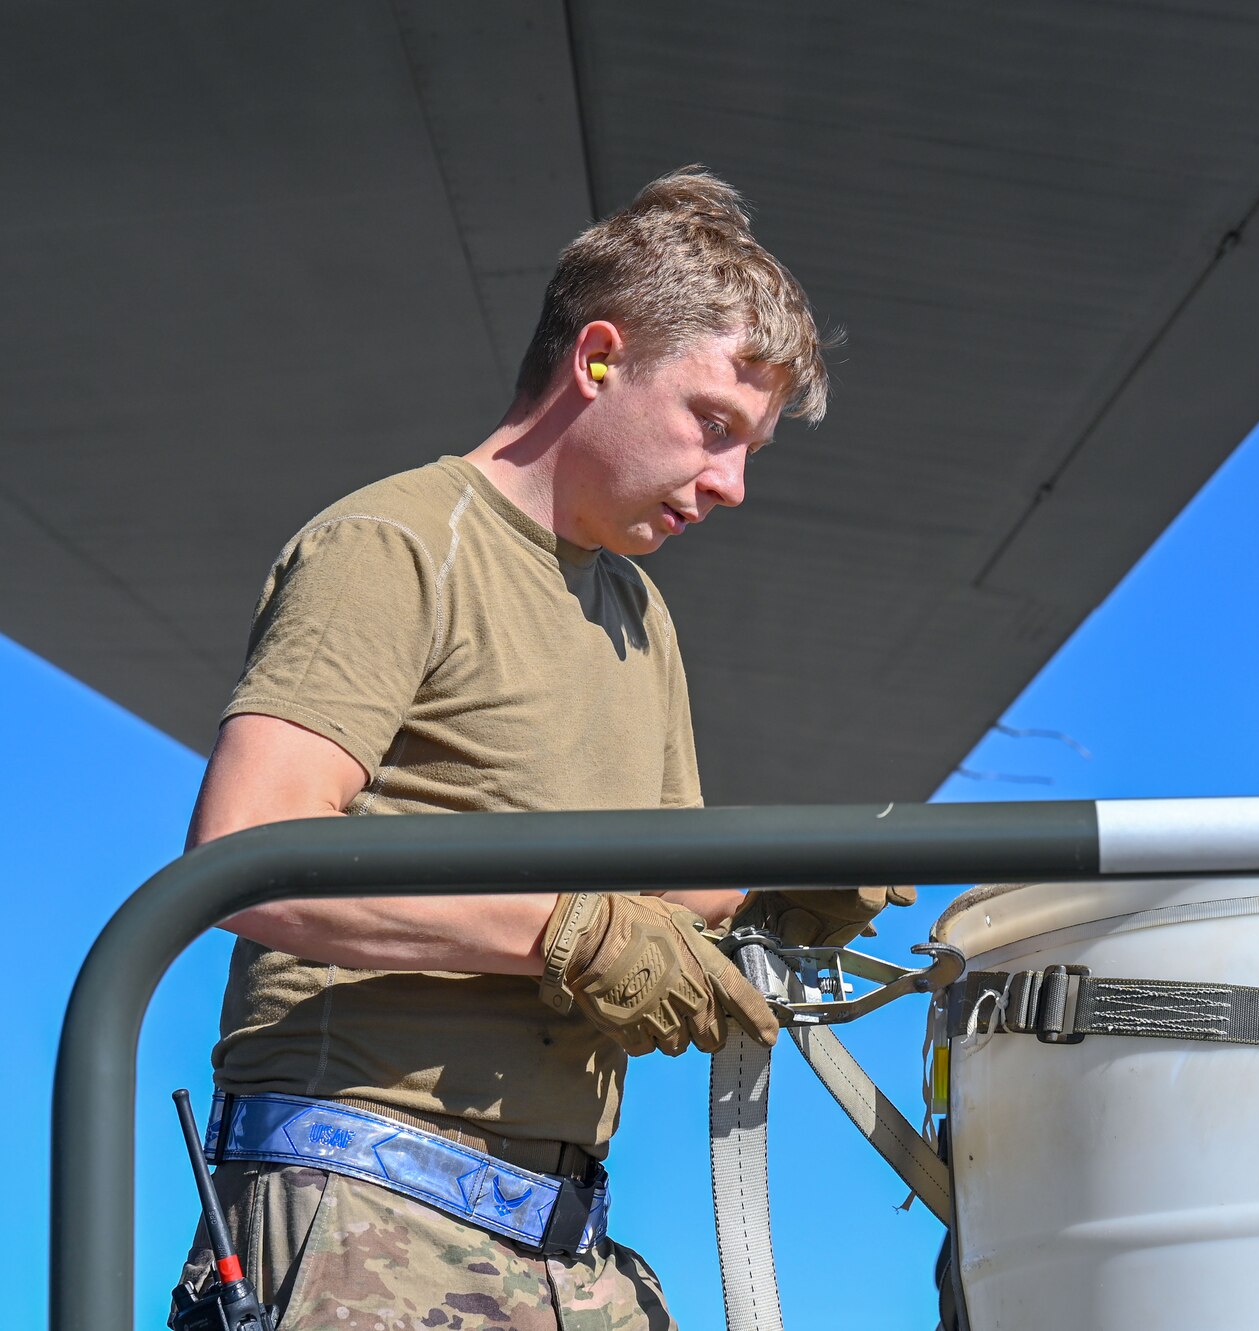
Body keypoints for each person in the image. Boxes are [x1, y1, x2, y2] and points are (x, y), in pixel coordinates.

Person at [177, 166, 901, 1331]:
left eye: (752, 447)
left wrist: (763, 889)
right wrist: (569, 928)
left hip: (563, 1238)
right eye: (712, 425)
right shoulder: (394, 543)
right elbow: (246, 855)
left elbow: (645, 889)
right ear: (598, 358)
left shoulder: (636, 610)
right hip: (364, 1199)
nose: (731, 483)